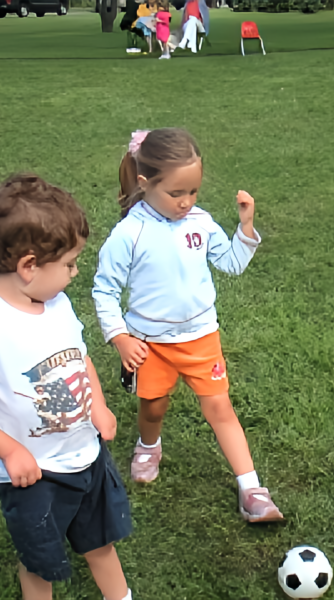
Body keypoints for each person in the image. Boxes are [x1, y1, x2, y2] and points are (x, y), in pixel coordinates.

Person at [92, 128, 284, 523]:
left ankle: (252, 490)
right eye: (176, 193)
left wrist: (245, 229)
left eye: (193, 192)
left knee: (220, 408)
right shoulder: (129, 233)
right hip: (149, 345)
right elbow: (104, 290)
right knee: (154, 406)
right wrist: (120, 338)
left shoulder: (201, 222)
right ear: (145, 184)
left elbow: (230, 263)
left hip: (201, 339)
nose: (186, 202)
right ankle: (149, 445)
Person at [0, 174, 134, 600]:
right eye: (71, 264)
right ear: (28, 266)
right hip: (34, 476)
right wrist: (9, 450)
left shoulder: (56, 304)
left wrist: (99, 407)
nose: (76, 273)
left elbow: (80, 356)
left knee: (100, 543)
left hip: (86, 457)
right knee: (40, 561)